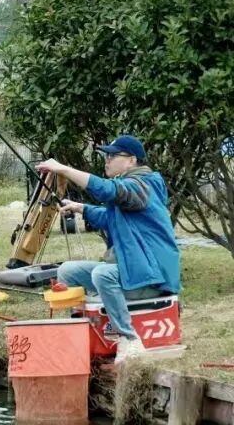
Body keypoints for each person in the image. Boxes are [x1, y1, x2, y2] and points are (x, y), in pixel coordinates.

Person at [39, 135, 180, 364]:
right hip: (135, 270)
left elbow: (107, 190)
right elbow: (111, 218)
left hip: (153, 278)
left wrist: (63, 169)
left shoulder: (143, 185)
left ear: (132, 160)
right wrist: (81, 208)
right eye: (106, 156)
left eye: (113, 156)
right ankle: (79, 333)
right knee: (67, 271)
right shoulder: (132, 188)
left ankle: (130, 340)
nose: (107, 160)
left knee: (103, 274)